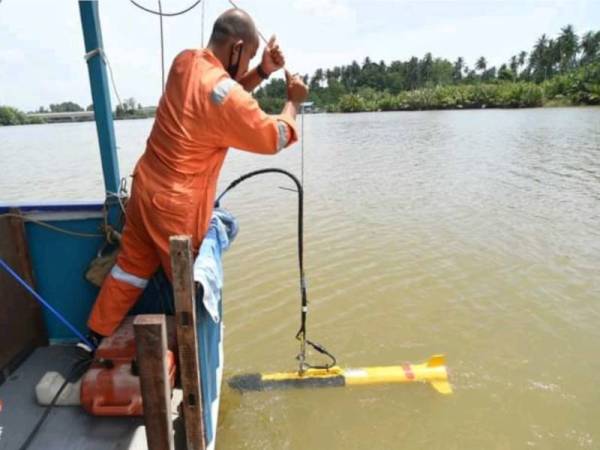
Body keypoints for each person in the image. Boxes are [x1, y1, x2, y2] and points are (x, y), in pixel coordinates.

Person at [86, 8, 309, 340]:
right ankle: (194, 376)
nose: (246, 66)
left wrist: (263, 70)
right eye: (247, 56)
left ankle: (92, 336)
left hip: (144, 190)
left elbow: (222, 95)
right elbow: (273, 136)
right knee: (189, 292)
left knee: (131, 268)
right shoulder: (223, 94)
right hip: (175, 209)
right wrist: (293, 103)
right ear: (235, 48)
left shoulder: (184, 62)